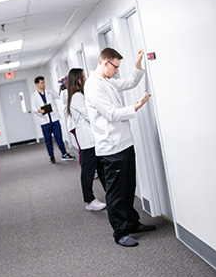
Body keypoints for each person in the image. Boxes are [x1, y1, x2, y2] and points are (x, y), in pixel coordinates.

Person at [84, 48, 154, 247]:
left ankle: (132, 223)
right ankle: (120, 232)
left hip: (125, 144)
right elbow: (112, 114)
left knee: (129, 187)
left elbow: (131, 82)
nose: (116, 71)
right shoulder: (93, 86)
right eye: (115, 67)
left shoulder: (107, 81)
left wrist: (138, 63)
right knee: (116, 192)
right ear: (105, 63)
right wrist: (137, 106)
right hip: (111, 148)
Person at [66, 68, 106, 211]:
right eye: (83, 76)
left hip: (91, 139)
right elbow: (89, 115)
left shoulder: (78, 95)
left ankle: (111, 193)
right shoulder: (77, 96)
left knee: (101, 167)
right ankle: (89, 200)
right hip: (88, 140)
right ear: (78, 80)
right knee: (88, 170)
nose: (86, 78)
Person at [30, 76, 75, 164]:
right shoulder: (34, 96)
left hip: (54, 119)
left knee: (59, 138)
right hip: (44, 121)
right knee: (48, 140)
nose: (44, 84)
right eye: (42, 83)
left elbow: (60, 96)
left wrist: (64, 87)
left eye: (44, 82)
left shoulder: (50, 92)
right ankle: (51, 156)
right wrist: (39, 110)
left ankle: (64, 154)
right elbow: (33, 108)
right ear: (37, 84)